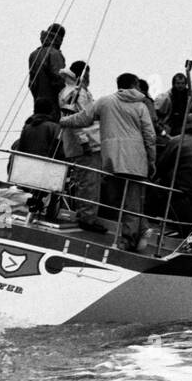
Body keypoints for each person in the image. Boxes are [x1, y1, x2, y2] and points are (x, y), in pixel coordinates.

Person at [60, 72, 156, 251]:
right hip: (137, 160)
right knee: (132, 201)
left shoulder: (105, 102)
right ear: (135, 84)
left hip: (112, 158)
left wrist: (64, 120)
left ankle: (140, 229)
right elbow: (150, 136)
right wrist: (152, 160)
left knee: (116, 198)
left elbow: (83, 118)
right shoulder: (141, 107)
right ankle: (131, 238)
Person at [58, 61, 105, 233]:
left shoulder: (68, 91)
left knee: (84, 181)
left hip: (77, 145)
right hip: (86, 145)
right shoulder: (78, 93)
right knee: (89, 182)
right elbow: (78, 119)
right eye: (88, 74)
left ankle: (84, 214)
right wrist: (85, 142)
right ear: (82, 75)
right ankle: (87, 218)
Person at [27, 23, 66, 117]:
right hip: (52, 106)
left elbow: (32, 83)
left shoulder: (34, 54)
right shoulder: (55, 54)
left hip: (38, 104)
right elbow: (59, 79)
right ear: (60, 38)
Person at [155, 72, 191, 137]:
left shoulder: (189, 96)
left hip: (184, 126)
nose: (180, 86)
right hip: (170, 127)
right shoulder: (167, 97)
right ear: (174, 84)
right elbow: (158, 113)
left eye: (182, 83)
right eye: (178, 83)